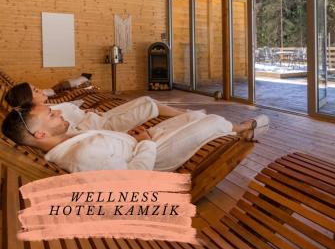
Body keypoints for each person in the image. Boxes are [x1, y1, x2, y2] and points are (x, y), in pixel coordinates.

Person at [1, 102, 268, 173]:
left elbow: (106, 147)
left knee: (193, 117)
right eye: (51, 114)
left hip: (140, 143)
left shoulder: (65, 140)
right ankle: (243, 129)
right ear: (40, 134)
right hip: (156, 158)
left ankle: (240, 129)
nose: (58, 112)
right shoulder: (80, 156)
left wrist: (136, 137)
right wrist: (146, 143)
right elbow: (137, 177)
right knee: (211, 121)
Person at [5, 82, 191, 133]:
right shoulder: (46, 119)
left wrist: (86, 111)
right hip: (102, 127)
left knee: (144, 98)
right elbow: (74, 130)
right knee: (149, 105)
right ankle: (187, 117)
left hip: (99, 117)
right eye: (35, 90)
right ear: (28, 100)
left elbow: (72, 112)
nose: (39, 89)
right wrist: (88, 115)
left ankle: (184, 114)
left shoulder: (49, 108)